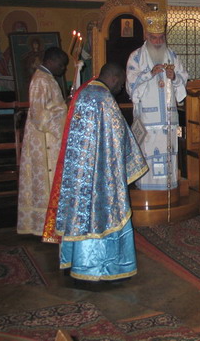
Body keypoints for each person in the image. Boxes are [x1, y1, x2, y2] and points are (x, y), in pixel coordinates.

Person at [45, 63, 148, 282]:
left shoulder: (84, 91)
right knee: (101, 215)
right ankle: (101, 267)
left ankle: (74, 260)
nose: (120, 88)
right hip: (99, 173)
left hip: (79, 172)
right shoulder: (104, 99)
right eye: (120, 83)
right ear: (114, 77)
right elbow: (117, 136)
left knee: (78, 212)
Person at [126, 10, 188, 191]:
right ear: (146, 35)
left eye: (161, 38)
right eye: (154, 38)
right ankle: (148, 193)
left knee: (169, 154)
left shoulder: (173, 56)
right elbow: (131, 86)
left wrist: (174, 76)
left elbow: (183, 81)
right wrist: (149, 74)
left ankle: (168, 192)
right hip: (147, 120)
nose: (158, 42)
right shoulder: (136, 57)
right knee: (149, 156)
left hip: (169, 120)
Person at [17, 47, 68, 236]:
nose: (63, 69)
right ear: (52, 61)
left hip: (48, 140)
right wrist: (62, 121)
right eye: (61, 65)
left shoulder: (46, 78)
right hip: (45, 140)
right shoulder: (40, 80)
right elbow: (39, 115)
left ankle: (50, 227)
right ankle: (47, 227)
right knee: (47, 184)